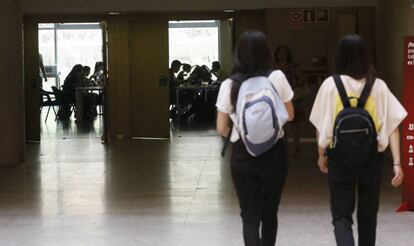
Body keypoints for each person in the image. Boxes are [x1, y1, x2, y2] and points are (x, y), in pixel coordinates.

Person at [309, 34, 406, 246]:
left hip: (339, 160)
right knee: (368, 218)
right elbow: (393, 126)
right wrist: (397, 163)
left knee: (341, 217)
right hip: (372, 160)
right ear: (365, 56)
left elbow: (320, 125)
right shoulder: (378, 86)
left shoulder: (329, 85)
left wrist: (321, 155)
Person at [216, 31, 294, 246]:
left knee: (249, 216)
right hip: (275, 155)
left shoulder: (229, 84)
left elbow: (221, 127)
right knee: (269, 214)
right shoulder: (276, 77)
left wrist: (239, 133)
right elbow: (290, 114)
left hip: (243, 156)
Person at [274, 45, 307, 156]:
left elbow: (302, 79)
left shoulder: (293, 66)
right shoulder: (275, 68)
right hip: (278, 98)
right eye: (279, 53)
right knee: (280, 124)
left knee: (294, 124)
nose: (282, 55)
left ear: (288, 54)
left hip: (292, 98)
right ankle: (283, 146)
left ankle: (297, 148)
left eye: (284, 53)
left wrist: (291, 85)